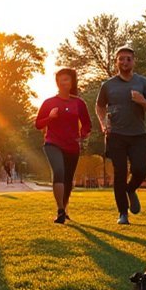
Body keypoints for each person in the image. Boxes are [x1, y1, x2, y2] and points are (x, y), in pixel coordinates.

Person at [96, 46, 146, 225]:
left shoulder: (143, 82)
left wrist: (142, 101)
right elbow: (99, 106)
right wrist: (103, 123)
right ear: (116, 61)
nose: (125, 62)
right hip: (116, 134)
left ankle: (131, 189)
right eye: (121, 59)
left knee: (140, 171)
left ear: (134, 61)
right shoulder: (107, 85)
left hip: (138, 134)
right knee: (120, 173)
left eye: (128, 59)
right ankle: (123, 213)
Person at [35, 68, 92, 223]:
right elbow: (38, 124)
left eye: (66, 79)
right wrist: (50, 117)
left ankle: (65, 208)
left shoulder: (79, 103)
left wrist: (83, 134)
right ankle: (60, 210)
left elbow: (87, 123)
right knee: (59, 172)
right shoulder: (49, 103)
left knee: (68, 179)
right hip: (53, 143)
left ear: (72, 82)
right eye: (59, 79)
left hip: (72, 145)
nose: (62, 82)